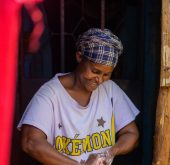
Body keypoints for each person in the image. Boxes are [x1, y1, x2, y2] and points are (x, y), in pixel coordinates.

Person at [18, 28, 140, 165]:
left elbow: (131, 134)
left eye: (106, 74)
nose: (99, 80)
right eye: (95, 71)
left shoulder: (109, 89)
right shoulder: (50, 94)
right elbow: (31, 142)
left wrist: (109, 153)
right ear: (79, 57)